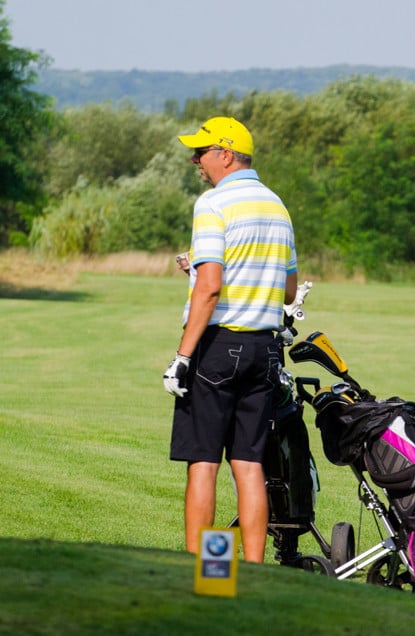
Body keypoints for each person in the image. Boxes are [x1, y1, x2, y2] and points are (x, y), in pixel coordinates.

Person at [163, 116, 298, 563]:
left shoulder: (212, 203)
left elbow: (211, 288)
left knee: (204, 462)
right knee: (248, 463)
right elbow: (288, 289)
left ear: (225, 154)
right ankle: (252, 571)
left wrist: (182, 357)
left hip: (218, 348)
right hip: (264, 351)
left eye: (201, 152)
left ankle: (207, 571)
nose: (195, 161)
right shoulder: (277, 206)